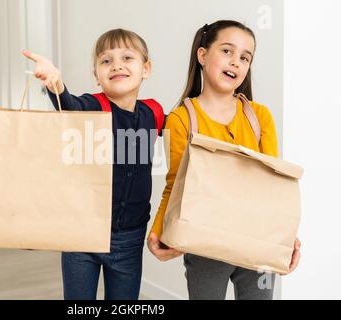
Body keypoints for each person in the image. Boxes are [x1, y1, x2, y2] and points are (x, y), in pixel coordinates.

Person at [147, 20, 301, 300]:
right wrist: (157, 230)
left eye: (245, 57)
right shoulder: (181, 118)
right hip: (205, 246)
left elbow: (274, 187)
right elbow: (175, 184)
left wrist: (287, 240)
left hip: (257, 243)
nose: (236, 62)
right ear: (203, 55)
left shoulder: (260, 116)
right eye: (227, 51)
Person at [23, 28, 165, 300]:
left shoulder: (153, 112)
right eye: (106, 61)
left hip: (130, 237)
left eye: (127, 58)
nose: (117, 65)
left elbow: (181, 129)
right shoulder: (93, 106)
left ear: (145, 69)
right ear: (96, 76)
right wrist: (56, 84)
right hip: (81, 236)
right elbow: (70, 105)